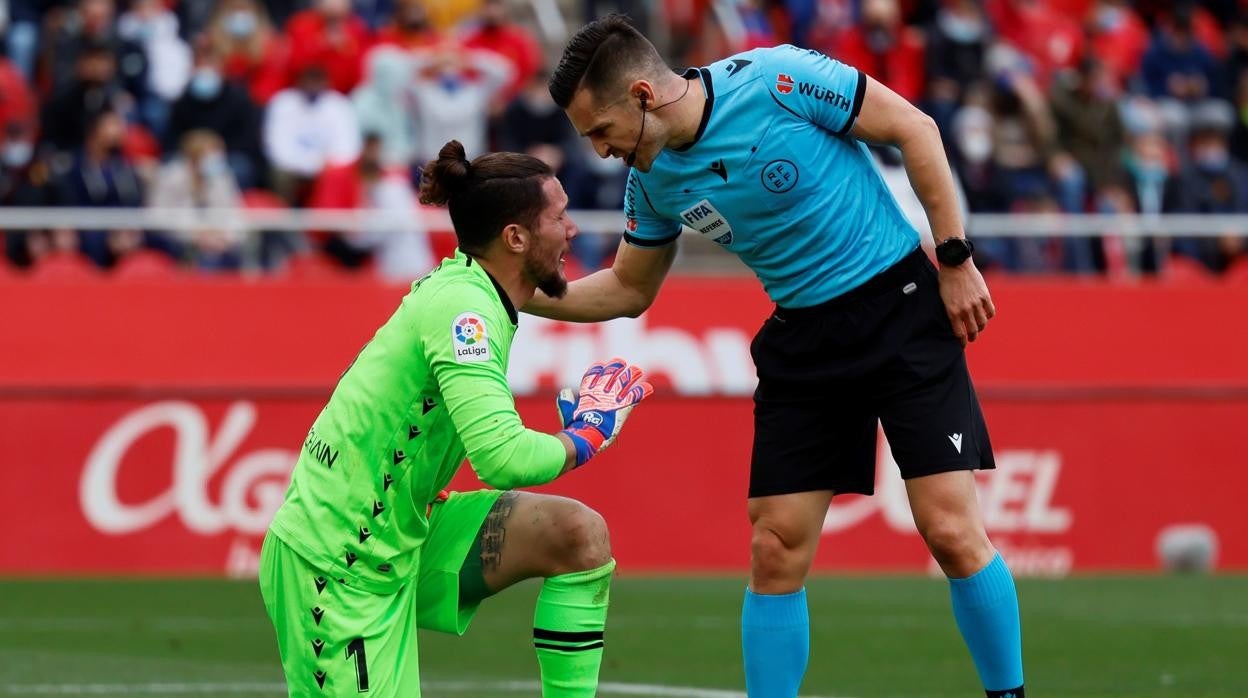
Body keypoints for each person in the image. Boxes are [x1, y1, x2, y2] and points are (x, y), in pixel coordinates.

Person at [535, 15, 1023, 698]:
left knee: (949, 529)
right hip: (803, 343)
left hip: (902, 309)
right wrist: (515, 293)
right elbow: (625, 288)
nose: (599, 149)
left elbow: (915, 128)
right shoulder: (653, 184)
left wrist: (954, 258)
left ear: (643, 95)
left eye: (601, 130)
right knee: (773, 548)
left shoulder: (778, 78)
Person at [259, 138, 654, 697]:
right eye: (558, 218)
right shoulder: (465, 311)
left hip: (402, 535)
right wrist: (588, 433)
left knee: (576, 536)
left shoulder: (480, 287)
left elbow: (618, 293)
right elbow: (503, 458)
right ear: (515, 238)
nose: (571, 231)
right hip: (338, 564)